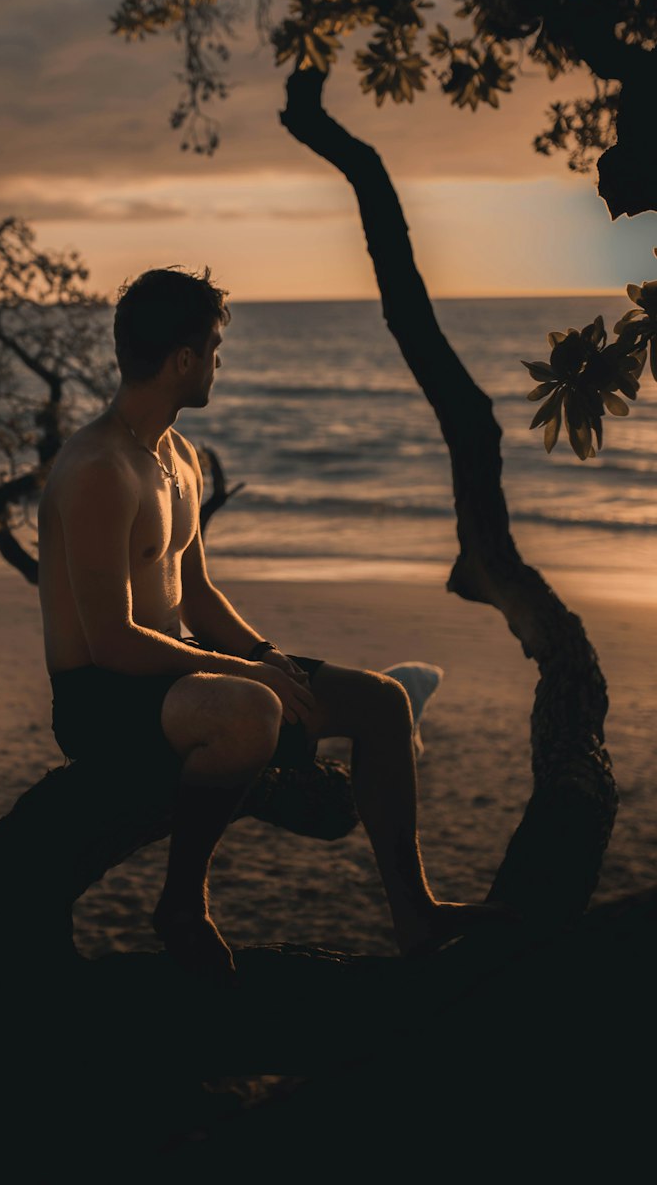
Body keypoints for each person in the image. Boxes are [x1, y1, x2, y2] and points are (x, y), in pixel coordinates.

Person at [37, 266, 507, 982]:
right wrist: (246, 674)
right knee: (252, 708)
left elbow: (196, 595)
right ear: (185, 360)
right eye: (215, 350)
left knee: (383, 702)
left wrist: (266, 652)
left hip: (175, 670)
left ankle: (417, 914)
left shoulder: (179, 459)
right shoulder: (98, 467)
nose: (220, 365)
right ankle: (182, 905)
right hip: (101, 694)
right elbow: (111, 641)